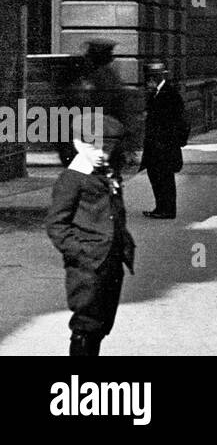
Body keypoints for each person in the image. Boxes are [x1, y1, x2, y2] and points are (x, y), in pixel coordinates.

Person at [46, 114, 136, 356]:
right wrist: (80, 252)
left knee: (103, 323)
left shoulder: (107, 173)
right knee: (86, 324)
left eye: (107, 148)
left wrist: (123, 243)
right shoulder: (72, 179)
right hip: (87, 264)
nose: (100, 153)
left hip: (111, 260)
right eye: (92, 146)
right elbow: (56, 224)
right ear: (77, 143)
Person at [140, 62, 188, 219]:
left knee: (164, 179)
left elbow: (181, 121)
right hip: (157, 146)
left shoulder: (169, 93)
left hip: (164, 146)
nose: (147, 84)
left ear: (154, 78)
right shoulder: (157, 93)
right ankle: (161, 207)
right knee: (156, 177)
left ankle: (167, 210)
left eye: (148, 80)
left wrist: (176, 141)